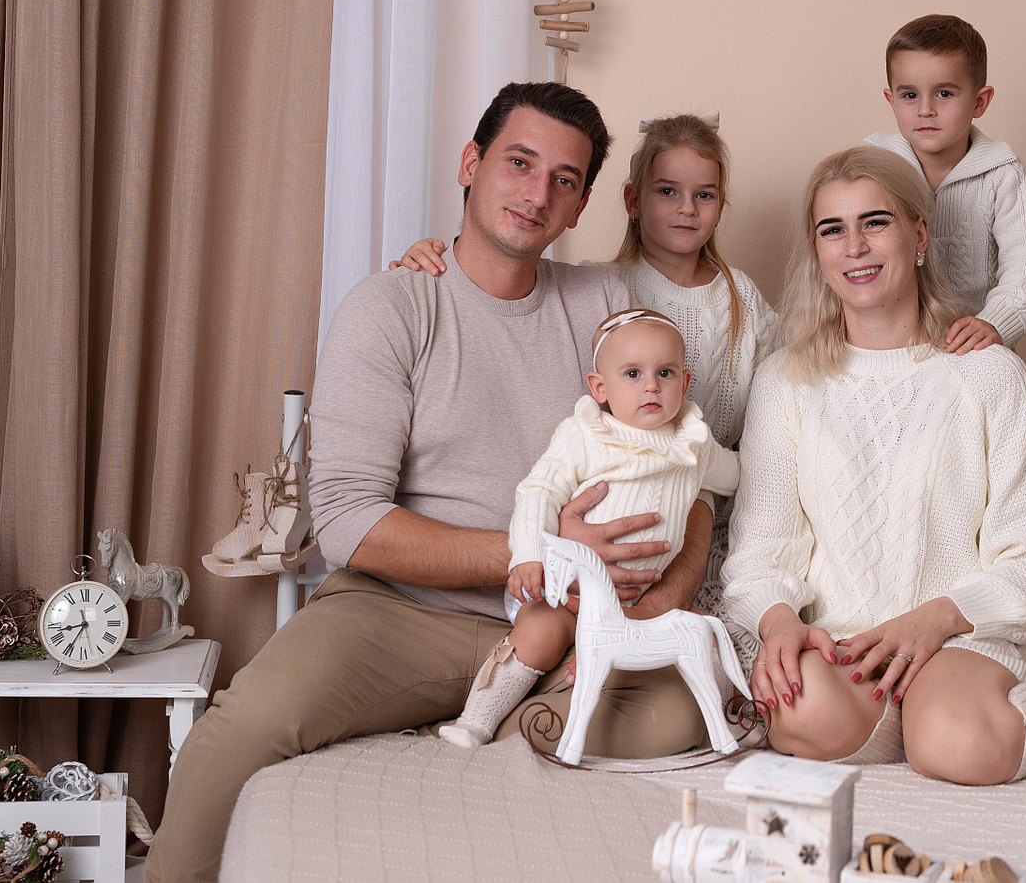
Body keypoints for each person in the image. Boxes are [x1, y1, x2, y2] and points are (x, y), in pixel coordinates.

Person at [147, 83, 715, 883]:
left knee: (678, 715)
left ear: (582, 204)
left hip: (567, 621)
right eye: (519, 163)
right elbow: (347, 519)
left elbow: (690, 473)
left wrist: (657, 605)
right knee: (247, 722)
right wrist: (542, 549)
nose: (537, 192)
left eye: (563, 179)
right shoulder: (392, 304)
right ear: (471, 164)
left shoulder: (603, 304)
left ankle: (494, 717)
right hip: (398, 611)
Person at [721, 146, 1026, 790]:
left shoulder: (987, 373)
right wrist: (780, 622)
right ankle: (909, 721)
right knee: (799, 712)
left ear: (919, 235)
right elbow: (760, 550)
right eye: (832, 229)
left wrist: (936, 618)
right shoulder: (785, 380)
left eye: (875, 222)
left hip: (960, 636)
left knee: (960, 747)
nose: (855, 246)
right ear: (817, 252)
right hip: (848, 644)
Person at [439, 308, 739, 748]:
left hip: (646, 597)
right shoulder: (585, 435)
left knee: (705, 634)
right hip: (568, 593)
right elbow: (539, 492)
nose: (651, 386)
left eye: (665, 373)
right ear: (600, 387)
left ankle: (730, 724)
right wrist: (528, 556)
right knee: (540, 634)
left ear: (685, 382)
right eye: (632, 374)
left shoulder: (693, 443)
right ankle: (476, 721)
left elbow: (734, 477)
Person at [395, 111, 778, 449]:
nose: (687, 208)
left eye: (704, 195)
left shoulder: (742, 296)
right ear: (633, 202)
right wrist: (434, 259)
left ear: (720, 208)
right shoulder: (597, 290)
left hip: (723, 490)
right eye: (667, 191)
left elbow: (788, 385)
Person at [864, 14, 1026, 353]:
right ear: (892, 101)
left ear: (979, 102)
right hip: (893, 344)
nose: (925, 110)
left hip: (972, 345)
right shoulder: (876, 165)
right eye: (910, 95)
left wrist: (995, 321)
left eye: (944, 93)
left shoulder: (1001, 172)